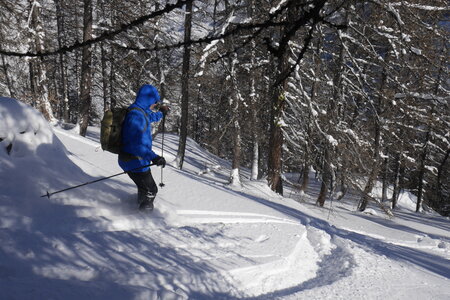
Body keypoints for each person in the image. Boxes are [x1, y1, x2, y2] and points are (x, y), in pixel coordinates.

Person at [118, 84, 169, 210]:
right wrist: (154, 157)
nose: (155, 106)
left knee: (144, 188)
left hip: (132, 160)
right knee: (151, 190)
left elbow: (148, 117)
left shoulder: (137, 110)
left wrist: (161, 113)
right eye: (155, 103)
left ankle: (137, 207)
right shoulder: (136, 117)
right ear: (149, 100)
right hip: (135, 160)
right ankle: (143, 219)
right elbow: (136, 145)